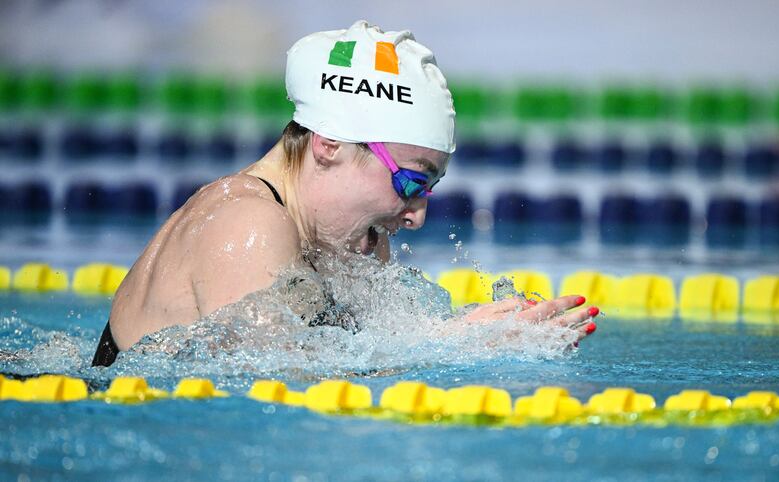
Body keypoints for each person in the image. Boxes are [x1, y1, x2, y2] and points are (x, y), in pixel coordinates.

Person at [92, 21, 599, 367]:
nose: (417, 215)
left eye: (430, 188)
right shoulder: (246, 223)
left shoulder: (352, 240)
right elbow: (275, 382)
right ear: (329, 142)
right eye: (410, 182)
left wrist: (487, 329)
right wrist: (452, 345)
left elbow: (363, 351)